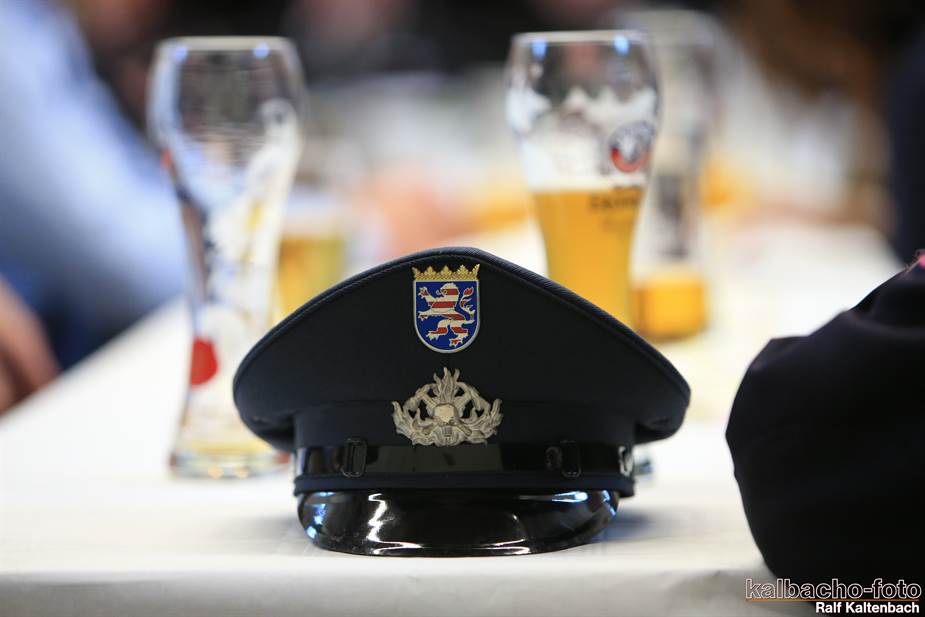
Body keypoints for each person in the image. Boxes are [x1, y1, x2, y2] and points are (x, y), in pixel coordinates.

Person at [0, 0, 185, 412]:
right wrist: (257, 236)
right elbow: (128, 270)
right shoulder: (10, 35)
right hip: (60, 365)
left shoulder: (46, 29)